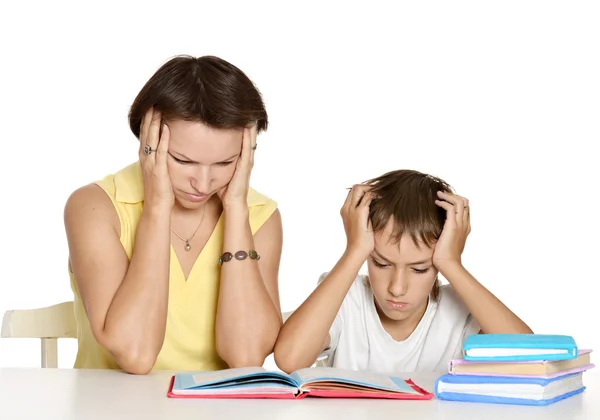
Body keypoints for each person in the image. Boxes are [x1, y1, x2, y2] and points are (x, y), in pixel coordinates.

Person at [64, 55, 283, 374]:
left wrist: (236, 209)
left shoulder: (261, 216)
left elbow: (246, 356)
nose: (204, 183)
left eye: (224, 163)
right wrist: (156, 207)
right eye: (183, 160)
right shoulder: (95, 207)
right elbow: (135, 354)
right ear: (148, 141)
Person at [274, 169, 533, 374]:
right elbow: (289, 359)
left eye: (420, 269)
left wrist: (453, 264)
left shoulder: (459, 309)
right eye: (381, 263)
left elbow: (532, 358)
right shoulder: (345, 298)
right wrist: (353, 251)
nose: (397, 288)